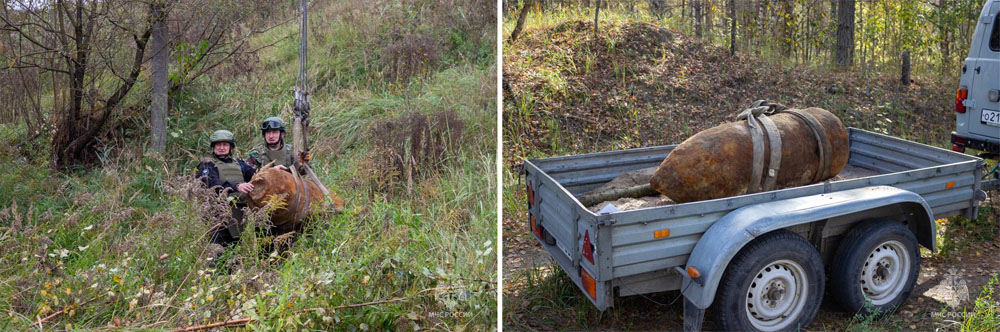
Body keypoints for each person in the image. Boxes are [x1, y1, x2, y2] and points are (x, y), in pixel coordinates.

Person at [195, 130, 256, 247]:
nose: (221, 148)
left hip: (239, 217)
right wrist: (237, 186)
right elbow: (211, 182)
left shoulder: (241, 164)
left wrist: (273, 170)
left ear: (230, 147)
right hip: (217, 217)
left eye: (225, 145)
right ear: (213, 147)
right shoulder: (207, 165)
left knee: (235, 255)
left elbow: (256, 176)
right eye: (218, 145)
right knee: (216, 254)